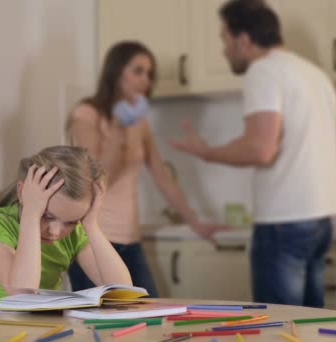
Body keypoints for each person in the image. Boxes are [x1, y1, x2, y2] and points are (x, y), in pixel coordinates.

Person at [169, 0, 336, 307]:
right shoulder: (317, 76)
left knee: (279, 326)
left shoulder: (263, 71)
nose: (223, 49)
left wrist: (207, 152)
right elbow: (334, 144)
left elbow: (261, 149)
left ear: (244, 39)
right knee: (312, 326)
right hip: (320, 220)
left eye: (224, 38)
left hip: (284, 222)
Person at [66, 41, 227, 297]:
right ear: (117, 71)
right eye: (138, 71)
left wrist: (195, 223)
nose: (146, 80)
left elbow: (162, 177)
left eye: (150, 74)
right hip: (93, 241)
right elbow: (94, 178)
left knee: (151, 318)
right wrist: (118, 130)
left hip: (131, 240)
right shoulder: (87, 114)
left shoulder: (138, 123)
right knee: (97, 326)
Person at [0, 146, 132, 301]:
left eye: (71, 222)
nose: (56, 231)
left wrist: (91, 225)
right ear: (24, 193)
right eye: (47, 216)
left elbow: (123, 292)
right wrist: (31, 215)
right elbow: (22, 295)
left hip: (43, 328)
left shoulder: (75, 233)